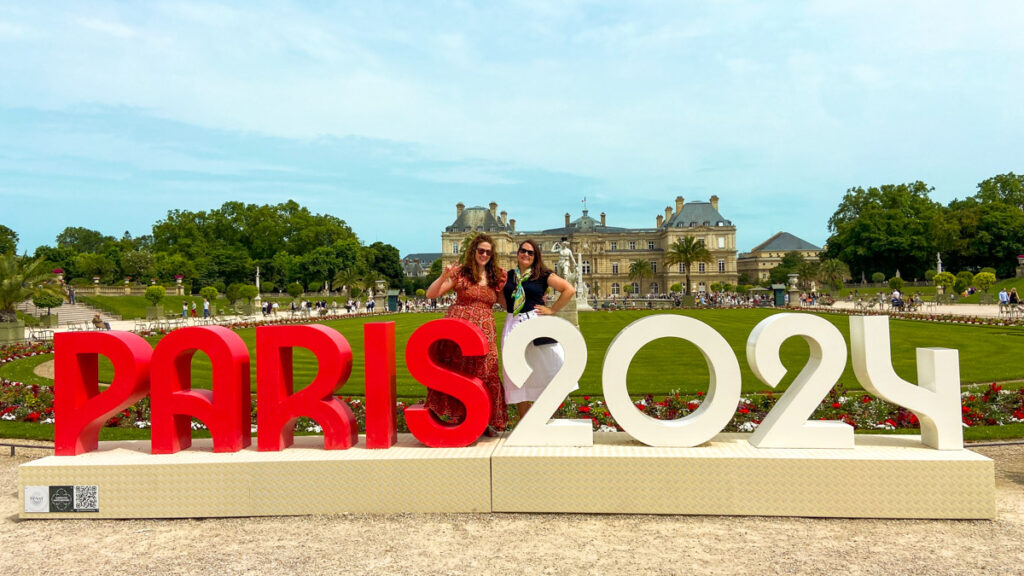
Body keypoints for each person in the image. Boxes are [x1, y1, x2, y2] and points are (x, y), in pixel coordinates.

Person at [424, 233, 507, 436]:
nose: (484, 254)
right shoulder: (461, 273)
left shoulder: (497, 276)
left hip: (485, 331)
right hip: (458, 330)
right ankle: (463, 420)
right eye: (481, 251)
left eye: (488, 251)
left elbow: (506, 304)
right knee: (460, 373)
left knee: (487, 373)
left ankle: (483, 420)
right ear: (474, 251)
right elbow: (431, 294)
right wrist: (444, 276)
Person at [501, 239, 576, 419]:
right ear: (517, 253)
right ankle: (524, 424)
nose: (526, 254)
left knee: (550, 368)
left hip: (535, 325)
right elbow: (502, 300)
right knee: (517, 376)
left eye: (530, 252)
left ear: (535, 257)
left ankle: (548, 419)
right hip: (513, 324)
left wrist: (552, 310)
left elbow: (569, 289)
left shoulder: (542, 275)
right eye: (523, 251)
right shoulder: (509, 276)